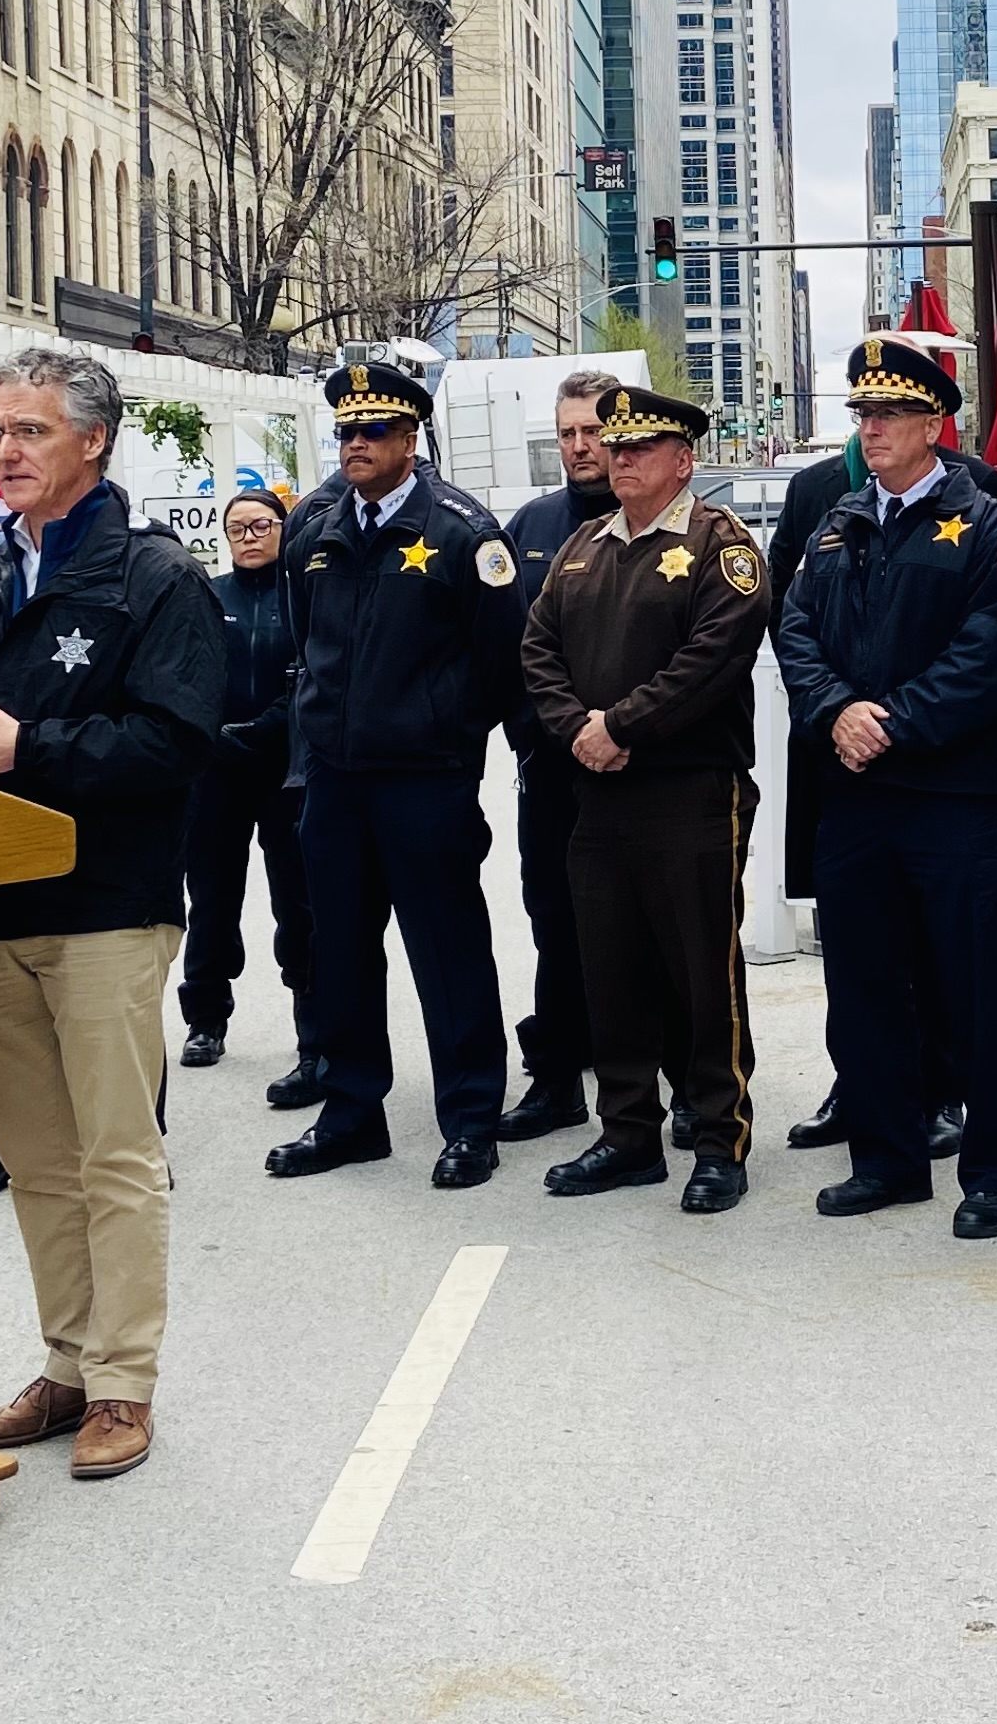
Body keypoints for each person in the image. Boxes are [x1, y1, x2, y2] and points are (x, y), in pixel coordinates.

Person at [0, 349, 221, 1484]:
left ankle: (125, 1384)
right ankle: (65, 1359)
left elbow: (178, 740)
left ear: (92, 440)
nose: (4, 451)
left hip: (106, 907)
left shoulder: (152, 576)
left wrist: (24, 748)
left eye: (30, 432)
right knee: (38, 1161)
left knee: (114, 1154)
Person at [773, 339, 997, 1234]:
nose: (870, 429)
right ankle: (885, 1160)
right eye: (862, 415)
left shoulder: (988, 530)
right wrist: (835, 711)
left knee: (968, 997)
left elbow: (984, 662)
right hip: (854, 800)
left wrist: (886, 724)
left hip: (945, 801)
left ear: (934, 425)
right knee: (864, 991)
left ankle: (993, 1175)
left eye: (887, 415)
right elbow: (794, 628)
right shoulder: (838, 522)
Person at [268, 363, 528, 1190]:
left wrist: (446, 737)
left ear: (410, 440)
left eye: (372, 431)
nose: (355, 444)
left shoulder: (463, 532)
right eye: (345, 431)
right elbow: (306, 645)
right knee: (339, 951)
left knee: (447, 953)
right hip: (336, 782)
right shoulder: (312, 529)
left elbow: (503, 662)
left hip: (425, 779)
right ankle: (351, 1114)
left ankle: (471, 1118)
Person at [521, 385, 770, 1212]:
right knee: (611, 970)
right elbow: (537, 648)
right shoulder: (585, 546)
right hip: (598, 792)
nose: (619, 460)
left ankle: (717, 1138)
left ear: (683, 460)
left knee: (702, 972)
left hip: (691, 792)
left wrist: (619, 726)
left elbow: (710, 661)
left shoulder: (719, 546)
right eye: (614, 448)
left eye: (639, 449)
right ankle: (627, 1133)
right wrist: (578, 732)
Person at [497, 368, 622, 1142]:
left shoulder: (660, 521)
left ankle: (666, 1074)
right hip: (550, 765)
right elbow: (504, 646)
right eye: (568, 433)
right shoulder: (532, 524)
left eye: (594, 433)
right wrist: (537, 731)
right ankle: (558, 1077)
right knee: (554, 918)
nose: (580, 447)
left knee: (649, 925)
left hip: (633, 763)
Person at [175, 487, 314, 1090]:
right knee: (211, 896)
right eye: (237, 528)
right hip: (216, 768)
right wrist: (218, 735)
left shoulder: (302, 593)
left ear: (283, 528)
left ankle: (313, 1025)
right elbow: (185, 673)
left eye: (261, 525)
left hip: (287, 767)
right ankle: (206, 1017)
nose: (250, 536)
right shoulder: (206, 596)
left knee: (299, 900)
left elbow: (315, 670)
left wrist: (264, 729)